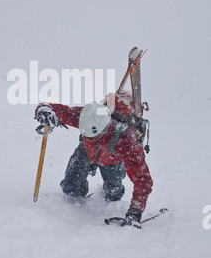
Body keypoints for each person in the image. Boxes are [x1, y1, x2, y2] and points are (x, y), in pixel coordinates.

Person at [34, 95, 153, 228]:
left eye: (94, 136)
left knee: (113, 193)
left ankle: (112, 194)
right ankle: (75, 199)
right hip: (86, 152)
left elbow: (143, 180)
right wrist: (44, 110)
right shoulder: (88, 115)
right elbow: (61, 110)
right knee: (70, 188)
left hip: (113, 160)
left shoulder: (126, 141)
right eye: (86, 135)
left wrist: (135, 211)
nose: (90, 138)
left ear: (105, 128)